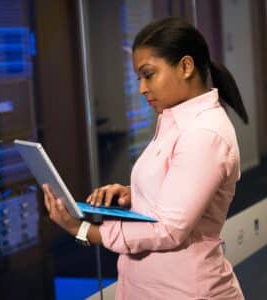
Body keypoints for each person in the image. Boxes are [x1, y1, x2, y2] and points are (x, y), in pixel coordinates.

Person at [42, 17, 247, 299]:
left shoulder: (204, 133)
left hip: (186, 291)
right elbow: (174, 194)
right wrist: (132, 195)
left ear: (186, 67)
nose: (141, 88)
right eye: (139, 78)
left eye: (148, 75)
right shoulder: (173, 121)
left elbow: (168, 229)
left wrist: (84, 230)